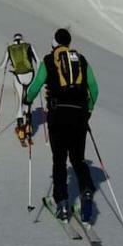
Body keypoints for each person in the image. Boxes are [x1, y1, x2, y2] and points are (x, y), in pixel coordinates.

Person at [24, 28, 99, 222]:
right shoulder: (81, 60)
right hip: (79, 115)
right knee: (78, 160)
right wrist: (88, 110)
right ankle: (87, 191)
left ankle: (63, 204)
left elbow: (36, 85)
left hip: (57, 116)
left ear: (54, 43)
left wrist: (27, 100)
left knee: (59, 161)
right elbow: (94, 88)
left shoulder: (49, 60)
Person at [0, 32, 37, 141]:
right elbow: (38, 61)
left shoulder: (10, 48)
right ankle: (29, 125)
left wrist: (8, 62)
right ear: (22, 38)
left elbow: (1, 66)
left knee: (19, 100)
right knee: (28, 99)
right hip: (30, 75)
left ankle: (21, 128)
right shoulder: (28, 46)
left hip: (18, 76)